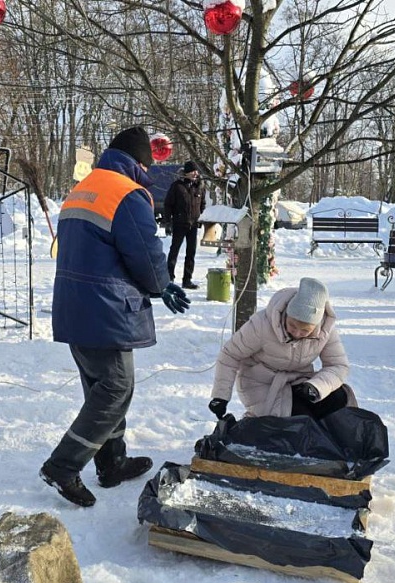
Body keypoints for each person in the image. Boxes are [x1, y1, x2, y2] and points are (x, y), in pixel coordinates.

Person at [43, 126, 191, 508]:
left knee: (99, 387)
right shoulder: (126, 194)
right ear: (140, 162)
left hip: (75, 306)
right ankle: (63, 466)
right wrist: (163, 285)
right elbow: (144, 251)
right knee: (115, 389)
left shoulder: (86, 186)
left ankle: (112, 462)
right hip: (105, 308)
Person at [208, 277, 357, 420]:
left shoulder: (325, 330)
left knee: (339, 400)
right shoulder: (262, 325)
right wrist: (220, 396)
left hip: (300, 382)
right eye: (292, 325)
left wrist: (316, 387)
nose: (297, 333)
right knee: (300, 420)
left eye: (305, 331)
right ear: (286, 314)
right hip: (262, 384)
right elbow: (230, 355)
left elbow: (338, 365)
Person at [163, 160, 206, 289]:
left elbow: (202, 204)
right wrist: (168, 222)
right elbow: (168, 204)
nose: (195, 173)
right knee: (174, 251)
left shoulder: (200, 186)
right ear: (186, 173)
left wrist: (201, 218)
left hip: (193, 224)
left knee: (191, 252)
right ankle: (169, 277)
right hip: (179, 223)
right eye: (193, 171)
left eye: (196, 171)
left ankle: (187, 279)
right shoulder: (177, 186)